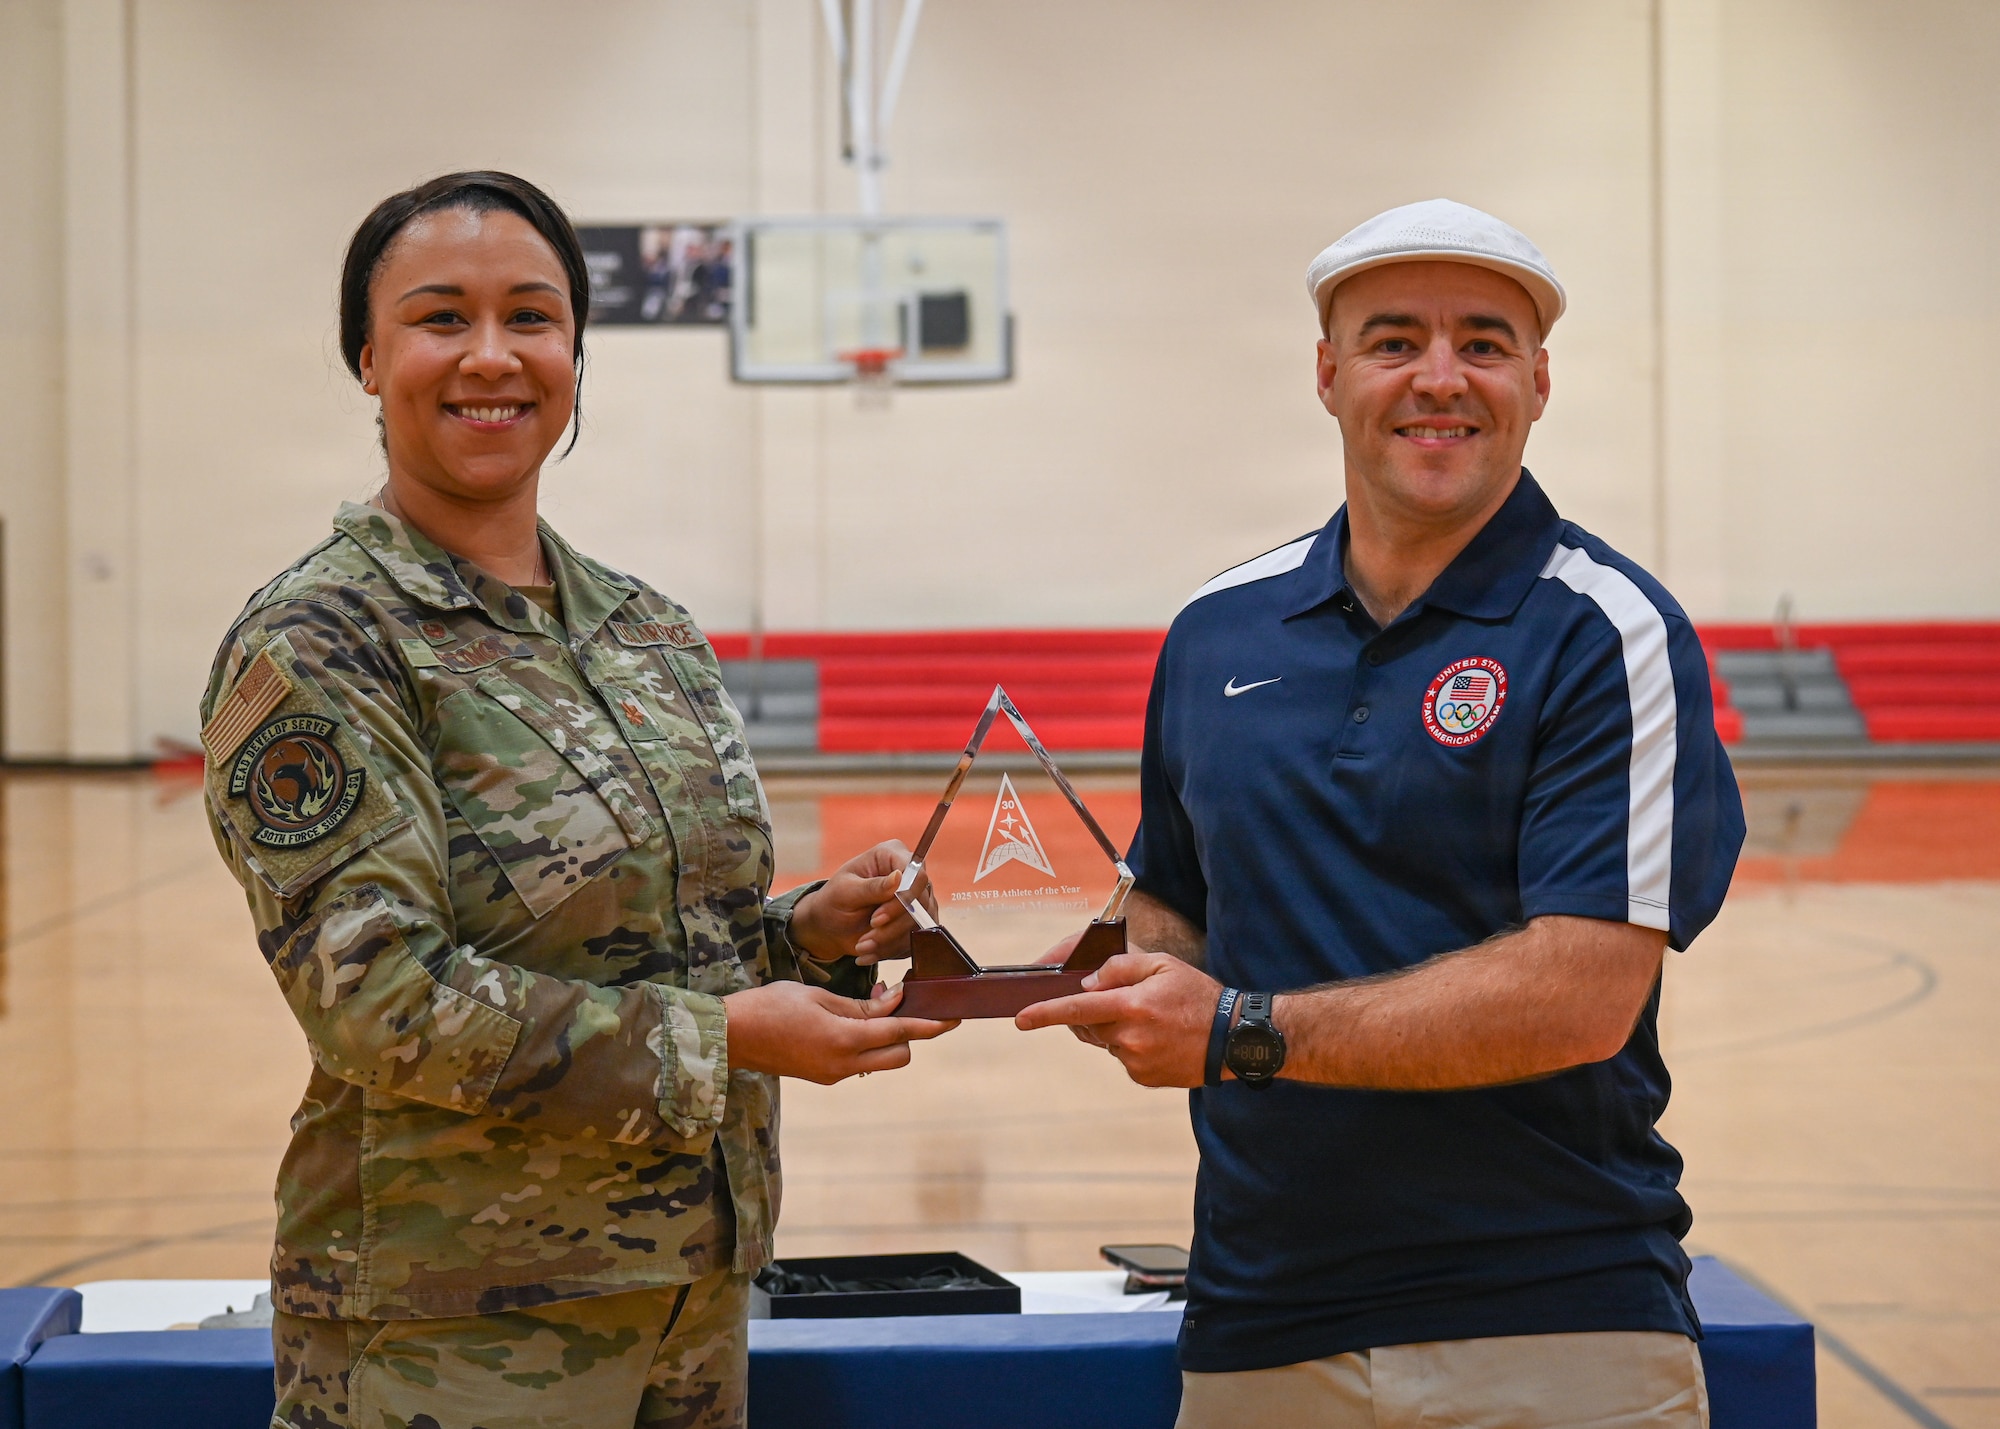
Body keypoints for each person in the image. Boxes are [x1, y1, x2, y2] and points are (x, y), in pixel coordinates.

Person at [198, 171, 953, 1429]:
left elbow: (658, 955)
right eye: (443, 318)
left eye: (531, 318)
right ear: (369, 358)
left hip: (686, 1300)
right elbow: (380, 1000)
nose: (491, 356)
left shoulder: (642, 628)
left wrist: (804, 933)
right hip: (454, 1324)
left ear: (575, 353)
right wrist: (735, 1040)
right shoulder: (319, 642)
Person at [1021, 199, 1744, 1427]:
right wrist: (1078, 973)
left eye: (1483, 342)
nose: (1438, 379)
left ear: (1538, 379)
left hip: (1553, 1320)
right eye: (1393, 340)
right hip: (1261, 1322)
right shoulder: (1217, 630)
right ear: (1327, 373)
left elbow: (1579, 992)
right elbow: (1176, 908)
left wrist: (1235, 1029)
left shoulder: (1605, 629)